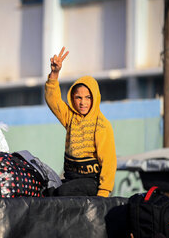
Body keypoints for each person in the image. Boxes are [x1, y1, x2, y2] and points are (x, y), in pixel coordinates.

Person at [45, 47, 117, 197]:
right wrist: (55, 74)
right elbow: (53, 101)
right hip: (71, 178)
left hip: (91, 181)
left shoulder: (101, 124)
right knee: (46, 191)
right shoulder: (70, 118)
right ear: (72, 98)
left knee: (62, 193)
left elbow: (108, 161)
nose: (83, 102)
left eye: (88, 97)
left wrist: (103, 194)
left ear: (95, 98)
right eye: (78, 97)